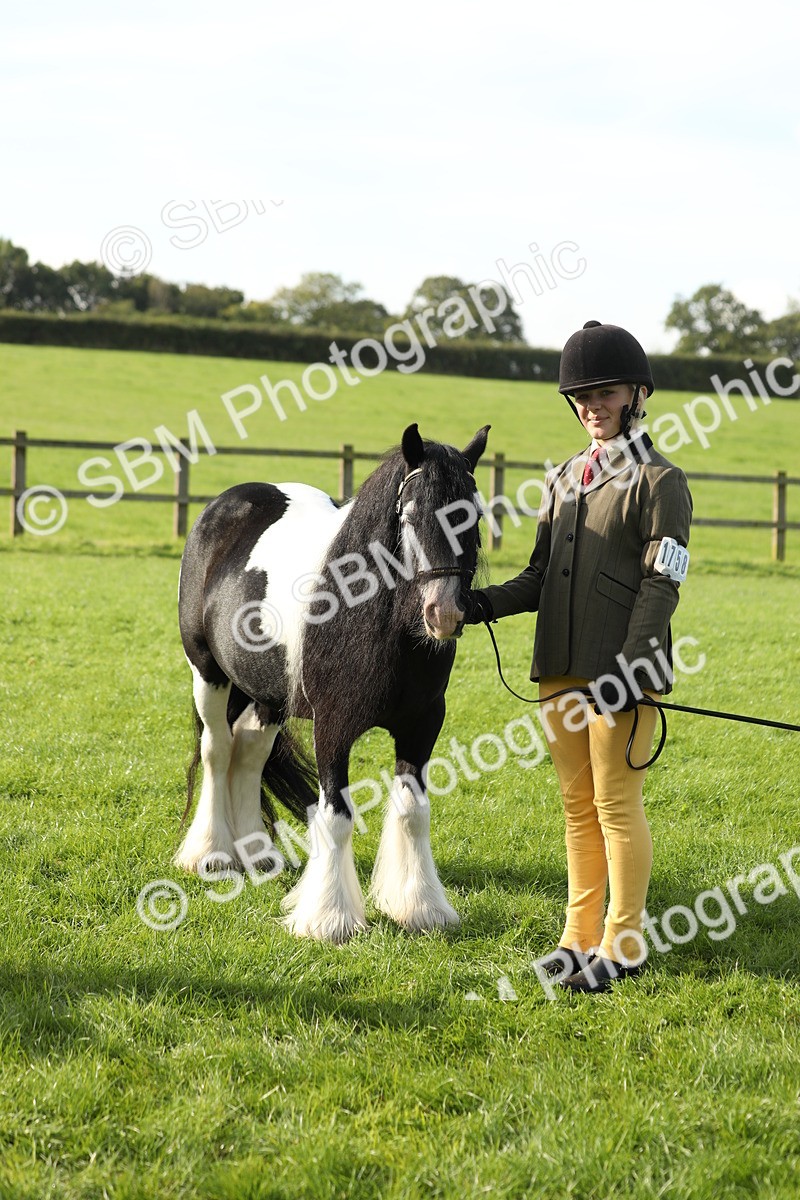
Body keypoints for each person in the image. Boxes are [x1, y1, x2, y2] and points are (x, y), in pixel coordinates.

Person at [464, 320, 693, 994]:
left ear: (636, 394)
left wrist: (630, 667)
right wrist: (474, 607)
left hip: (620, 675)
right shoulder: (563, 479)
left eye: (606, 392)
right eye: (582, 395)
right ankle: (576, 938)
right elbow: (538, 578)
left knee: (617, 806)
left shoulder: (661, 481)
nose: (593, 404)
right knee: (576, 806)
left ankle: (623, 946)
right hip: (558, 669)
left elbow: (663, 580)